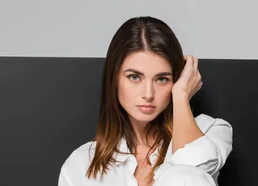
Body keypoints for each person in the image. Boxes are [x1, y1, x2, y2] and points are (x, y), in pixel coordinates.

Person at [58, 16, 233, 186]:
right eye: (134, 77)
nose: (148, 94)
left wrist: (180, 96)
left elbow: (192, 171)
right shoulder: (81, 164)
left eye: (161, 79)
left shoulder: (209, 130)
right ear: (114, 79)